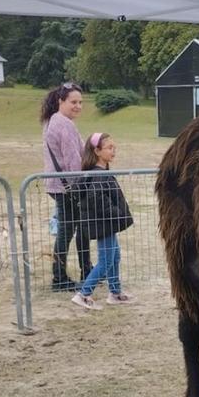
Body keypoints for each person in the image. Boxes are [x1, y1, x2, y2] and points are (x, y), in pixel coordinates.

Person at [71, 132, 135, 311]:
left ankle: (115, 293)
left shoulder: (98, 172)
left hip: (106, 223)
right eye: (109, 148)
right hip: (104, 224)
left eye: (114, 147)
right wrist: (116, 213)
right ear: (97, 151)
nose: (114, 151)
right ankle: (83, 294)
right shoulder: (99, 175)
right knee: (106, 260)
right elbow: (96, 199)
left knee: (114, 257)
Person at [41, 82, 91, 292]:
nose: (78, 106)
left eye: (80, 102)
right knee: (67, 232)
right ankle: (60, 277)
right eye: (73, 102)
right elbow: (72, 161)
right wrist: (83, 184)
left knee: (69, 230)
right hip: (68, 187)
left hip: (59, 185)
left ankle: (79, 271)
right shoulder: (65, 125)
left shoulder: (54, 121)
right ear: (60, 101)